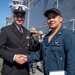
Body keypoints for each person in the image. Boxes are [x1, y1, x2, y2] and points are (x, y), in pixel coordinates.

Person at [25, 8, 75, 75]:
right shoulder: (46, 37)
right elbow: (41, 54)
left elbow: (72, 61)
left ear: (60, 19)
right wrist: (26, 58)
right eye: (49, 18)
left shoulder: (68, 35)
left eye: (54, 17)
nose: (51, 20)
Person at [0, 4, 31, 75]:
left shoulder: (27, 32)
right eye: (17, 16)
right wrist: (14, 57)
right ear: (13, 17)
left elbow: (30, 46)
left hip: (24, 70)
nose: (20, 18)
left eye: (22, 16)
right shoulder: (6, 30)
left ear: (24, 18)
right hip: (10, 70)